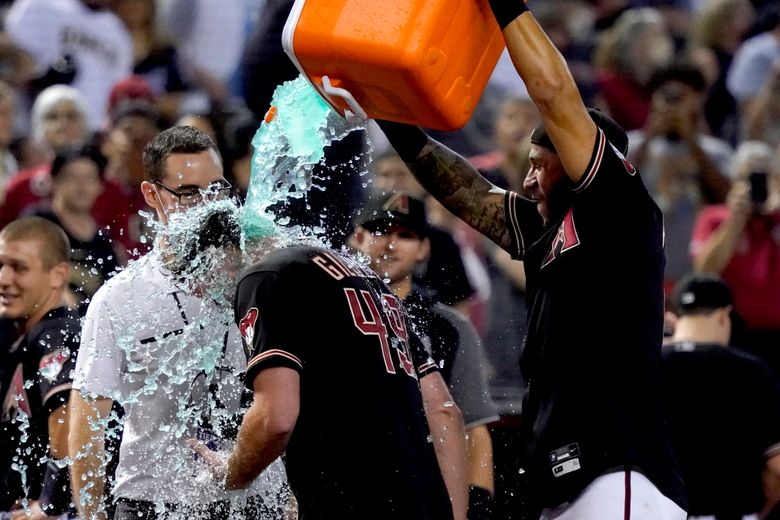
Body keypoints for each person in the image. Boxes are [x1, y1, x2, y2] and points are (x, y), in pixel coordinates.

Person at [374, 1, 687, 517]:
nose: (527, 180)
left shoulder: (617, 206)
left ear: (585, 155)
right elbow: (467, 193)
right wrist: (386, 110)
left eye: (542, 165)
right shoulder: (547, 228)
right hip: (562, 476)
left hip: (620, 472)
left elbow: (554, 93)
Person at [191, 206, 470, 518]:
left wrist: (233, 473)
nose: (209, 291)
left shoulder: (262, 277)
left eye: (205, 276)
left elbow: (276, 419)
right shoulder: (368, 281)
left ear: (220, 256)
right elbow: (445, 412)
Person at [68, 126, 287, 520]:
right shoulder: (120, 298)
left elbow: (295, 397)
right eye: (189, 194)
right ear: (152, 196)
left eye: (217, 189)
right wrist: (92, 514)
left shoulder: (262, 281)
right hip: (153, 502)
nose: (209, 206)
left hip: (256, 499)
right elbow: (88, 419)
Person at [351, 191, 499, 520]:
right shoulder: (333, 314)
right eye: (381, 231)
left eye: (405, 235)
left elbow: (473, 426)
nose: (391, 244)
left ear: (424, 248)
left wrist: (477, 503)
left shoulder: (449, 327)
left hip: (425, 489)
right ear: (358, 237)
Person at [662, 273, 780, 519]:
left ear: (672, 318)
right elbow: (776, 465)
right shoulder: (749, 370)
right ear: (724, 316)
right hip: (730, 512)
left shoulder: (645, 366)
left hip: (658, 511)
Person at [0, 217, 80, 518]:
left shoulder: (56, 333)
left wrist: (50, 504)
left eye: (19, 268)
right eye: (1, 266)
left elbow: (68, 413)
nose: (4, 278)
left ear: (58, 274)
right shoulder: (27, 335)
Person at [627, 62, 733, 286]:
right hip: (639, 266)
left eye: (681, 97)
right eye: (666, 96)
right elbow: (613, 191)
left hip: (694, 265)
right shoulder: (630, 144)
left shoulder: (715, 151)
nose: (673, 103)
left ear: (696, 100)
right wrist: (651, 133)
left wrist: (691, 139)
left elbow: (727, 198)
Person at [691, 140, 780, 375]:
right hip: (734, 333)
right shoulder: (715, 217)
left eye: (763, 177)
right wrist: (735, 221)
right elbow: (704, 270)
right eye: (747, 178)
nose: (755, 186)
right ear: (734, 181)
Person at [32, 145, 118, 306]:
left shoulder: (103, 241)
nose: (82, 186)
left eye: (90, 178)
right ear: (54, 181)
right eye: (72, 177)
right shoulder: (38, 224)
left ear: (100, 186)